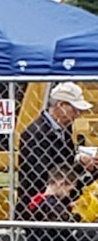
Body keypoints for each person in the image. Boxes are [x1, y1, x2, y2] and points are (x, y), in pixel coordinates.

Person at [16, 82, 96, 217]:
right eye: (75, 109)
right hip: (40, 210)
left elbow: (66, 166)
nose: (78, 114)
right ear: (61, 105)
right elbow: (43, 174)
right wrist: (80, 165)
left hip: (59, 205)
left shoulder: (64, 131)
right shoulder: (35, 134)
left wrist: (87, 165)